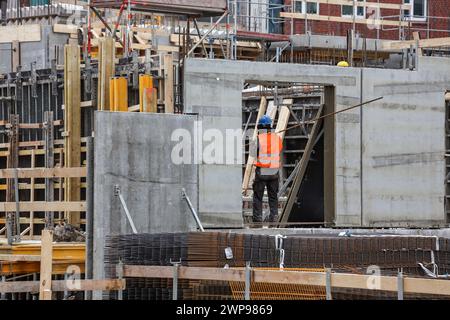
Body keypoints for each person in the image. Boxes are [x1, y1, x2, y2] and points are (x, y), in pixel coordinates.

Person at [250, 115, 283, 224]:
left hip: (262, 171)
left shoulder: (259, 139)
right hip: (273, 171)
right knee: (273, 196)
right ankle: (274, 217)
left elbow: (252, 153)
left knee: (258, 196)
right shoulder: (277, 138)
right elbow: (279, 149)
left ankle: (257, 218)